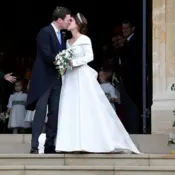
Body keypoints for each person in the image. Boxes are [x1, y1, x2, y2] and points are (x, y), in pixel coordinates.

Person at [55, 13, 139, 153]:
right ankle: (70, 143)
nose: (69, 22)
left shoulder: (85, 39)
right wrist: (63, 64)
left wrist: (73, 62)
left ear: (79, 24)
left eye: (72, 20)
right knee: (70, 106)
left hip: (81, 76)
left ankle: (89, 141)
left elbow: (89, 57)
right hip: (70, 78)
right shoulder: (67, 42)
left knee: (85, 107)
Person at [26, 6, 72, 154]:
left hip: (56, 79)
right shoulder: (44, 32)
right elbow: (46, 54)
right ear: (59, 20)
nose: (68, 22)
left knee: (54, 112)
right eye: (67, 19)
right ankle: (34, 145)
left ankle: (50, 145)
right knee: (40, 111)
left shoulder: (62, 35)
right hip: (43, 79)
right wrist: (62, 60)